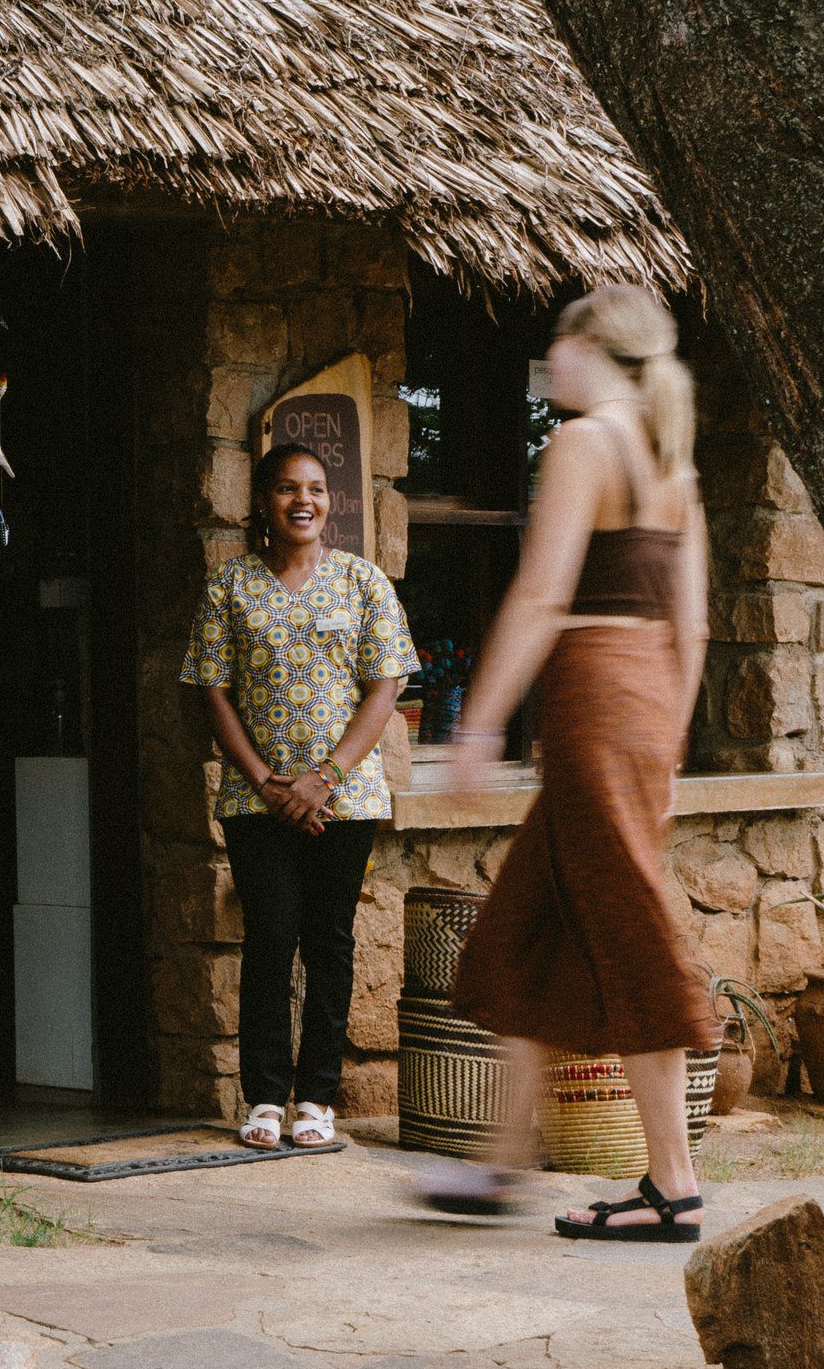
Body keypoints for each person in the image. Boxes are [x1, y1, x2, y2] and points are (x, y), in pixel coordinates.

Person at [430, 285, 718, 1243]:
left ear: (595, 347)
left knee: (629, 928)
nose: (551, 357)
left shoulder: (586, 442)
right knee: (525, 933)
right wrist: (669, 742)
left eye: (560, 339)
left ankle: (673, 1181)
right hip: (640, 704)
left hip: (593, 699)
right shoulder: (673, 459)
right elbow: (695, 622)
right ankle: (499, 1164)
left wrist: (478, 727)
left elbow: (543, 595)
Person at [182, 443, 420, 1151]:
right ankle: (262, 1096)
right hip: (257, 800)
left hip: (345, 800)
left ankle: (317, 1097)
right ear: (263, 500)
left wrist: (326, 777)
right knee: (270, 936)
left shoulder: (363, 582)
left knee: (329, 940)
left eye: (316, 488)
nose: (303, 500)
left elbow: (387, 685)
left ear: (331, 501)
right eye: (287, 488)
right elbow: (212, 692)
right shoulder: (231, 586)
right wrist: (265, 780)